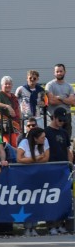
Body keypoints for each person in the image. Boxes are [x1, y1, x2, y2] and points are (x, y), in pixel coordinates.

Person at [43, 108, 71, 236]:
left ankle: (60, 223)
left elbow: (67, 150)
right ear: (53, 117)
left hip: (63, 168)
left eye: (63, 120)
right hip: (51, 167)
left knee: (62, 197)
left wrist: (70, 164)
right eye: (59, 119)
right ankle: (51, 225)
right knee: (51, 197)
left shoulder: (64, 133)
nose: (61, 122)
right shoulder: (46, 132)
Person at [46, 64, 75, 139]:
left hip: (67, 116)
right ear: (54, 73)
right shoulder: (50, 85)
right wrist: (66, 99)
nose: (59, 73)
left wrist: (60, 98)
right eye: (57, 71)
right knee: (55, 140)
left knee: (67, 139)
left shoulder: (69, 86)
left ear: (65, 72)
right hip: (54, 116)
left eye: (61, 71)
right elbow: (51, 101)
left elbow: (72, 102)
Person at [0, 75, 20, 146]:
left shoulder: (13, 96)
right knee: (9, 144)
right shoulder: (0, 94)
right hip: (5, 124)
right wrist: (7, 106)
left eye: (9, 84)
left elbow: (18, 108)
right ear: (2, 85)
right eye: (6, 84)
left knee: (17, 143)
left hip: (16, 123)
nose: (8, 85)